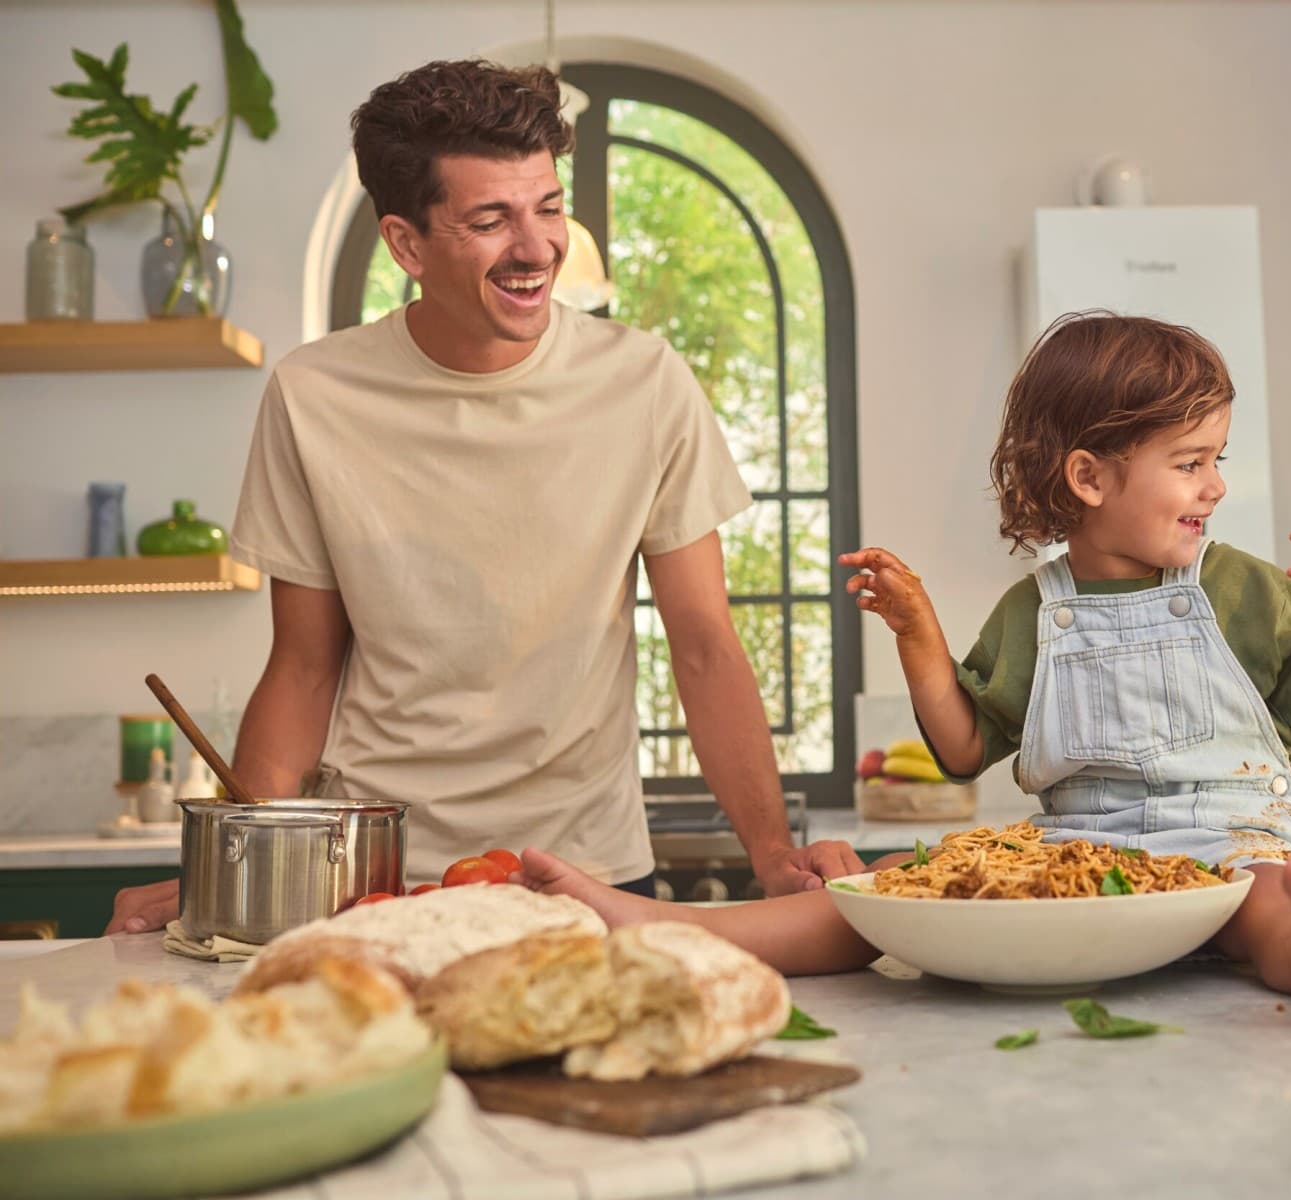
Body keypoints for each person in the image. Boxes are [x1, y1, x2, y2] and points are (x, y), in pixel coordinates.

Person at [104, 59, 859, 936]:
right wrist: (232, 871)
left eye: (547, 208)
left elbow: (702, 643)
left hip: (589, 873)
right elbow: (304, 667)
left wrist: (771, 855)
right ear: (406, 243)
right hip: (375, 877)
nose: (538, 248)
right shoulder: (314, 395)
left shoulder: (645, 383)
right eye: (491, 219)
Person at [522, 312, 1291, 1030]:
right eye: (1191, 464)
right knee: (882, 901)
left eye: (1215, 459)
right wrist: (918, 633)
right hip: (1078, 857)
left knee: (1266, 911)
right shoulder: (1036, 610)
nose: (1215, 485)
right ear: (1090, 479)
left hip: (1229, 842)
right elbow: (960, 748)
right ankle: (680, 928)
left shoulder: (1238, 587)